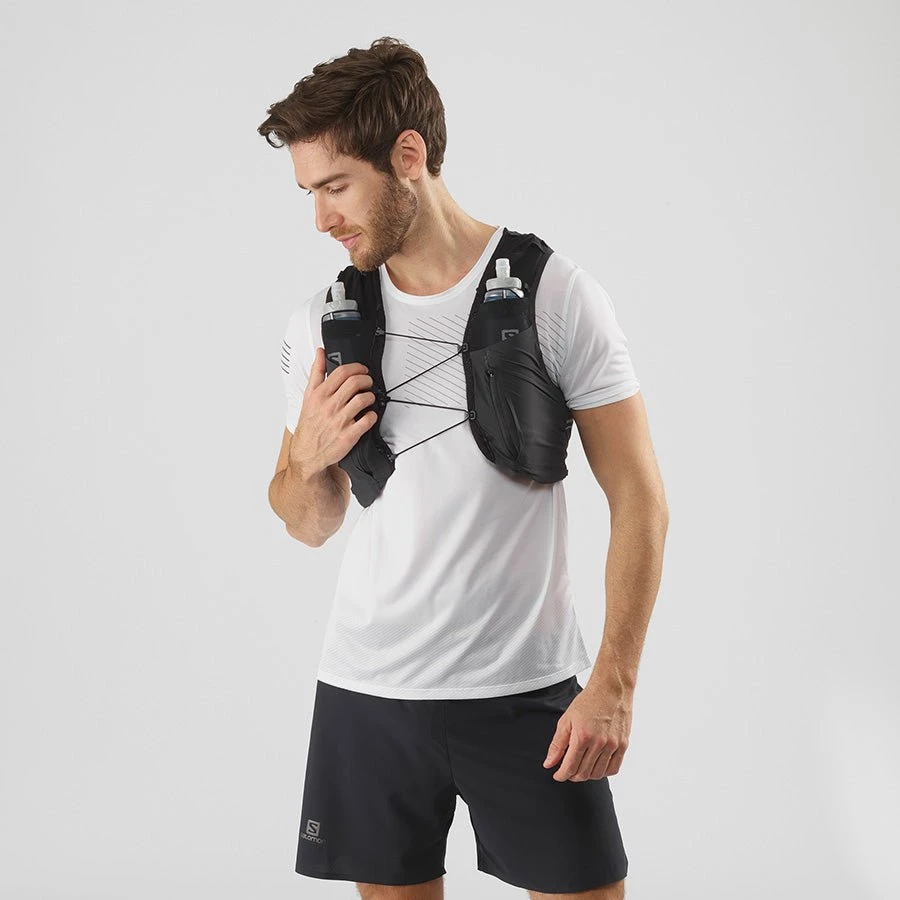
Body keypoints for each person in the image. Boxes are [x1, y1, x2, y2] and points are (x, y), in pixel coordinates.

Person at [258, 36, 668, 900]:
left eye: (336, 186)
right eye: (309, 194)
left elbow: (640, 500)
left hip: (527, 691)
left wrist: (615, 683)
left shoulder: (555, 293)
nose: (321, 220)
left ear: (408, 156)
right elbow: (308, 522)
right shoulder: (322, 323)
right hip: (368, 691)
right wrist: (311, 456)